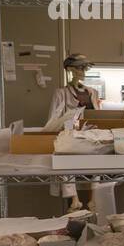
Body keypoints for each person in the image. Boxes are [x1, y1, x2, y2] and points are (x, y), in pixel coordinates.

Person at [47, 54, 102, 211]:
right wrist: (69, 125)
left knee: (100, 157)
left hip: (91, 135)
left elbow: (98, 115)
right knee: (65, 158)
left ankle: (94, 198)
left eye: (85, 67)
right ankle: (74, 199)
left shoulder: (92, 92)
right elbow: (53, 119)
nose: (83, 71)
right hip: (71, 136)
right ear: (70, 69)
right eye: (79, 67)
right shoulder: (61, 93)